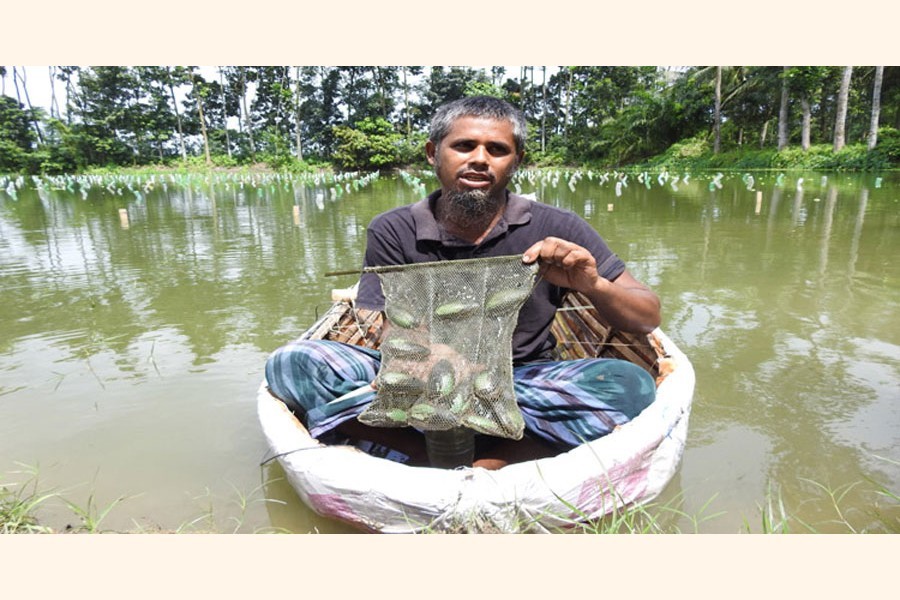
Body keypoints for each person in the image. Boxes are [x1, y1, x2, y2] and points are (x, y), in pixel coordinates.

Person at [265, 96, 660, 469]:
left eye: (497, 150)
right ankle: (425, 457)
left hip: (521, 381)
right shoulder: (394, 228)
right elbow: (389, 328)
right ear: (432, 153)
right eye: (464, 145)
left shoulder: (557, 226)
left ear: (516, 161)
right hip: (419, 374)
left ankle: (497, 459)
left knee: (630, 386)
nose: (479, 160)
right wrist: (437, 363)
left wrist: (593, 285)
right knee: (293, 364)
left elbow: (647, 317)